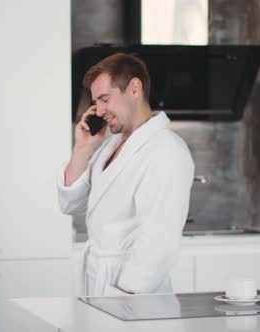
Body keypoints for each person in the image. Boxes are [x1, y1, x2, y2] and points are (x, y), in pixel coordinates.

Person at [57, 53, 194, 296]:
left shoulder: (165, 149)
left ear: (134, 88)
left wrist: (122, 298)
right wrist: (83, 148)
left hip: (131, 294)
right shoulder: (112, 145)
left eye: (104, 99)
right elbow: (71, 204)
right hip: (98, 282)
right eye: (95, 102)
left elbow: (159, 241)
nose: (98, 111)